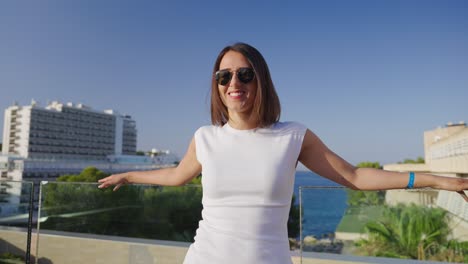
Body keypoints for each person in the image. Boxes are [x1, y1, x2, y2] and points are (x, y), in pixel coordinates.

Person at [98, 42, 468, 264]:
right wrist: (129, 175)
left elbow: (354, 177)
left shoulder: (293, 136)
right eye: (223, 76)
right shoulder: (205, 137)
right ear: (217, 86)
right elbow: (176, 175)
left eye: (244, 74)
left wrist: (436, 179)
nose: (233, 83)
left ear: (261, 79)